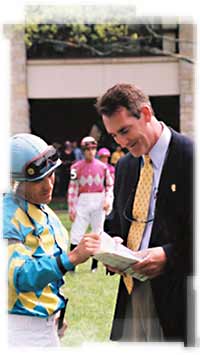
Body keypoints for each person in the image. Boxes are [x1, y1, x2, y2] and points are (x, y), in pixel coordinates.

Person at [93, 83, 193, 344]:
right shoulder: (126, 166)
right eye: (114, 136)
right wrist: (112, 244)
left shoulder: (191, 158)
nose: (122, 142)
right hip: (132, 293)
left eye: (125, 131)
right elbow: (117, 222)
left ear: (146, 114)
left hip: (180, 294)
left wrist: (168, 255)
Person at [3, 133, 101, 347]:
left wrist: (54, 309)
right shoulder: (7, 216)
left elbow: (49, 272)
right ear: (16, 180)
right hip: (17, 328)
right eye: (38, 180)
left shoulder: (44, 210)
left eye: (51, 175)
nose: (48, 185)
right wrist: (72, 258)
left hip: (45, 323)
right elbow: (19, 276)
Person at [68, 136, 113, 272]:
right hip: (83, 200)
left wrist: (107, 200)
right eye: (87, 149)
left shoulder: (103, 167)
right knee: (77, 231)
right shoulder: (75, 167)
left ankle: (95, 265)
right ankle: (71, 265)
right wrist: (72, 208)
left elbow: (109, 185)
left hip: (98, 199)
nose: (90, 152)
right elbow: (73, 188)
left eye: (93, 149)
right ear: (83, 151)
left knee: (97, 231)